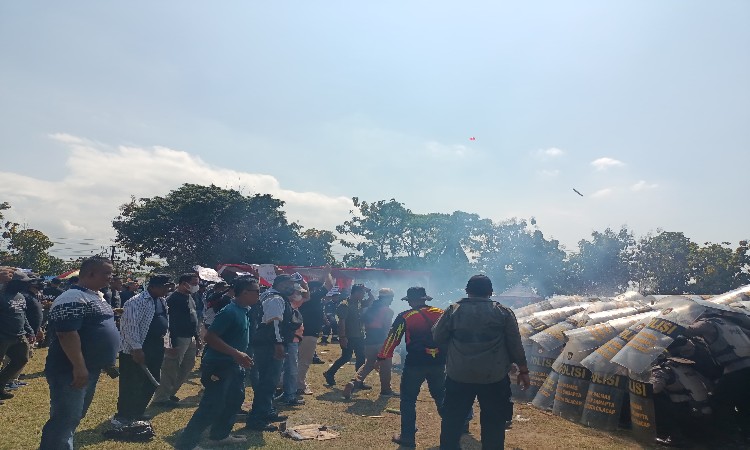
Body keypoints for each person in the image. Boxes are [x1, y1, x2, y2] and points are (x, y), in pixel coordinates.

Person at [433, 274, 530, 450]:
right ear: (491, 292)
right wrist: (523, 371)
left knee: (452, 422)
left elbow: (438, 337)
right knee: (494, 423)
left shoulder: (453, 310)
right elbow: (515, 344)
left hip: (458, 375)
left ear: (467, 291)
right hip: (493, 377)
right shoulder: (503, 312)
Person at [39, 257, 119, 450]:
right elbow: (66, 334)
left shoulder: (96, 296)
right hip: (70, 370)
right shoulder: (72, 297)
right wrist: (79, 367)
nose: (111, 277)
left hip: (88, 368)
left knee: (73, 417)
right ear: (91, 273)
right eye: (107, 273)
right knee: (65, 419)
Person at [174, 276, 260, 450]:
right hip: (219, 365)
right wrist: (236, 353)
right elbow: (210, 337)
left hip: (233, 365)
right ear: (244, 292)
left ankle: (219, 436)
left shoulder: (244, 310)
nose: (259, 294)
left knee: (234, 400)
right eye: (256, 291)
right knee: (212, 405)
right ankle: (186, 445)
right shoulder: (230, 312)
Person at [374, 287, 445, 447]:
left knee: (408, 400)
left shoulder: (405, 316)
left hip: (415, 363)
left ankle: (407, 436)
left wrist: (381, 357)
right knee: (441, 396)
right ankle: (452, 432)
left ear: (411, 301)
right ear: (424, 299)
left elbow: (393, 338)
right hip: (438, 362)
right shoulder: (441, 313)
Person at [112, 274, 172, 425]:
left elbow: (165, 323)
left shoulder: (162, 301)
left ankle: (137, 411)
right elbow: (130, 327)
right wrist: (137, 349)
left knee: (152, 380)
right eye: (164, 286)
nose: (167, 289)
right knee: (131, 382)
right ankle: (123, 415)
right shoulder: (135, 302)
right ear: (152, 287)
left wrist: (167, 344)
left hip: (155, 345)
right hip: (137, 347)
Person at [245, 274, 301, 431]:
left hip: (266, 344)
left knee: (268, 381)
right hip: (269, 345)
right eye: (290, 284)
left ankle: (267, 411)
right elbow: (274, 323)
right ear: (282, 284)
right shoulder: (275, 298)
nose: (293, 288)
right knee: (267, 382)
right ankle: (257, 420)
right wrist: (278, 344)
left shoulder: (270, 296)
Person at [151, 273, 202, 407]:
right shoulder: (173, 299)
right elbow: (170, 322)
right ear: (184, 283)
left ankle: (171, 392)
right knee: (170, 368)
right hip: (178, 337)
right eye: (194, 283)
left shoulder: (190, 297)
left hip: (189, 337)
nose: (197, 286)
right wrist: (172, 343)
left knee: (187, 366)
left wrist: (197, 337)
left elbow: (193, 318)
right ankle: (161, 398)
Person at [343, 288, 397, 399]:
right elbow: (387, 329)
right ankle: (386, 390)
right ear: (387, 298)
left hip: (368, 341)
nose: (392, 301)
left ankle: (354, 382)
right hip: (382, 341)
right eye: (391, 298)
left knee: (368, 364)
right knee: (386, 366)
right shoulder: (388, 311)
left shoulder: (369, 310)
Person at [323, 284, 373, 386]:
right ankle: (329, 373)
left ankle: (358, 381)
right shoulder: (344, 304)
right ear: (356, 293)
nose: (363, 295)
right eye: (362, 293)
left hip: (359, 335)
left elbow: (371, 300)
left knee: (361, 357)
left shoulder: (358, 303)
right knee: (346, 357)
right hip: (349, 336)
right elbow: (341, 322)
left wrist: (369, 291)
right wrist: (342, 337)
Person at [0, 270, 34, 401]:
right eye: (21, 282)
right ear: (11, 282)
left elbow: (22, 315)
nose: (24, 285)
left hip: (19, 336)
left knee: (21, 359)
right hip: (3, 336)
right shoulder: (1, 294)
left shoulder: (20, 296)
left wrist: (30, 331)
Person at [296, 278, 332, 395]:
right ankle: (299, 385)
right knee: (304, 361)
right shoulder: (313, 297)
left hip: (302, 332)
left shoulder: (301, 298)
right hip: (308, 333)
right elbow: (329, 285)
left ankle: (296, 383)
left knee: (297, 360)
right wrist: (327, 273)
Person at [277, 280, 308, 405]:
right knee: (290, 369)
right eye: (297, 292)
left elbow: (307, 296)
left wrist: (303, 283)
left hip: (293, 339)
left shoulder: (291, 303)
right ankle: (289, 396)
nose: (299, 294)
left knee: (288, 368)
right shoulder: (283, 303)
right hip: (289, 340)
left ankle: (287, 393)